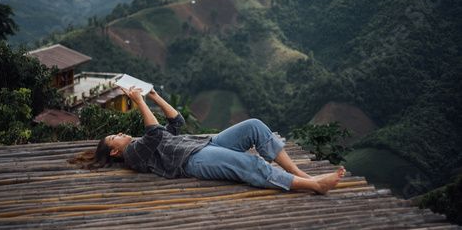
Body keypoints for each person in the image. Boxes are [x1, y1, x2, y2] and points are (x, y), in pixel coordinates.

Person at [69, 86, 346, 194]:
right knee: (251, 165)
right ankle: (314, 185)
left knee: (255, 126)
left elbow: (176, 123)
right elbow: (154, 133)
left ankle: (298, 172)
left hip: (203, 144)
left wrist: (153, 96)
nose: (118, 135)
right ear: (115, 153)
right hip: (192, 161)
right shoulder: (134, 156)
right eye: (113, 138)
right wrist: (139, 102)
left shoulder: (141, 143)